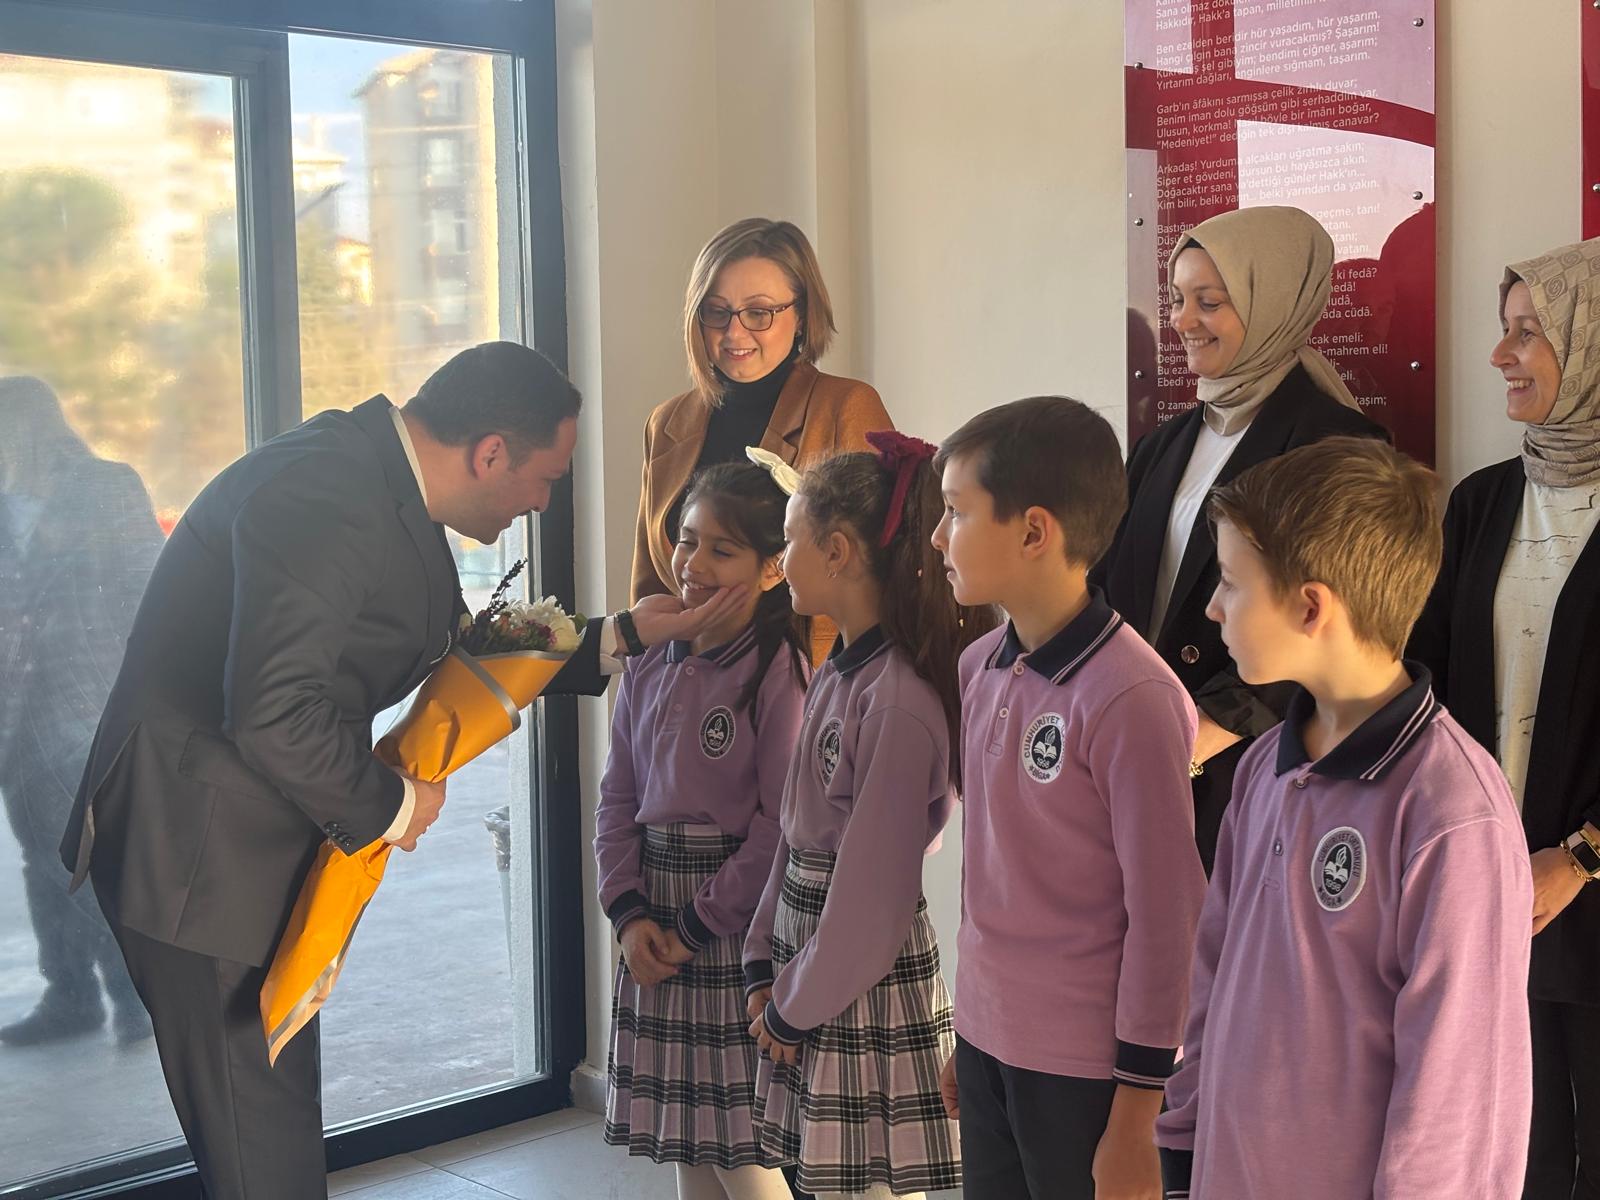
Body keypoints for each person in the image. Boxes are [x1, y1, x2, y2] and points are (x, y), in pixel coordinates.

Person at [56, 343, 747, 1200]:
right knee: (258, 1146)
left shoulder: (377, 476)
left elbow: (458, 647)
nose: (543, 500)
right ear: (489, 452)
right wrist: (392, 805)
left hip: (235, 841)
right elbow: (273, 711)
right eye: (545, 478)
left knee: (269, 1129)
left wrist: (626, 634)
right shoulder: (327, 495)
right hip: (195, 856)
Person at [1156, 438, 1534, 1199]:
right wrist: (1182, 1149)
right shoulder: (1261, 770)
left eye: (1230, 582)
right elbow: (1213, 978)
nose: (1212, 607)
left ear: (1310, 607)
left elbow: (1458, 1091)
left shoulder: (1452, 812)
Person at [930, 397, 1207, 1200]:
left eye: (956, 512)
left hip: (1089, 1072)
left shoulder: (1133, 697)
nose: (939, 536)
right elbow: (991, 878)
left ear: (1033, 532)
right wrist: (973, 1028)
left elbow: (1168, 917)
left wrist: (1138, 1110)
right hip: (988, 1044)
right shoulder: (979, 667)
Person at [1093, 205, 1388, 873]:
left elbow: (1331, 621)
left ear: (1274, 302)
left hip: (1249, 767)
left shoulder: (1337, 444)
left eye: (1210, 302)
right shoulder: (1164, 443)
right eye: (1177, 300)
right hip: (1137, 756)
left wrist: (1201, 733)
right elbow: (1111, 582)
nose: (1181, 321)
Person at [743, 433, 995, 1199]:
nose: (781, 559)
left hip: (855, 978)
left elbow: (872, 907)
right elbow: (796, 834)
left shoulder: (897, 701)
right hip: (815, 964)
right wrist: (762, 960)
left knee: (868, 1189)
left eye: (789, 540)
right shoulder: (840, 669)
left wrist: (795, 1004)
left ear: (839, 551)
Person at [1409, 237, 1600, 1199]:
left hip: (1587, 888)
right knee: (1510, 1158)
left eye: (1529, 332)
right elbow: (1428, 682)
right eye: (1504, 328)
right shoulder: (1481, 503)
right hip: (1490, 897)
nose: (1500, 355)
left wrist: (1584, 854)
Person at [596, 461, 809, 1200]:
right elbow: (616, 797)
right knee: (690, 1142)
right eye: (687, 540)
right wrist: (628, 914)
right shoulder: (648, 658)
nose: (693, 564)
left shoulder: (779, 669)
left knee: (741, 1145)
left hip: (731, 928)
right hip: (651, 917)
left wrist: (694, 926)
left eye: (723, 549)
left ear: (773, 567)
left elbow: (780, 828)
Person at [632, 217, 892, 662]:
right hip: (686, 678)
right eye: (717, 311)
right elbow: (649, 591)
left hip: (813, 680)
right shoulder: (667, 422)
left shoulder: (846, 407)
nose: (734, 333)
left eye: (758, 313)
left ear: (802, 316)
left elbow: (886, 573)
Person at [0, 376, 161, 1046]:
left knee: (94, 850)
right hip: (15, 711)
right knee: (41, 855)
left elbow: (147, 584)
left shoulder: (105, 486)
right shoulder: (3, 504)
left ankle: (132, 993)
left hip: (91, 697)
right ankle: (71, 997)